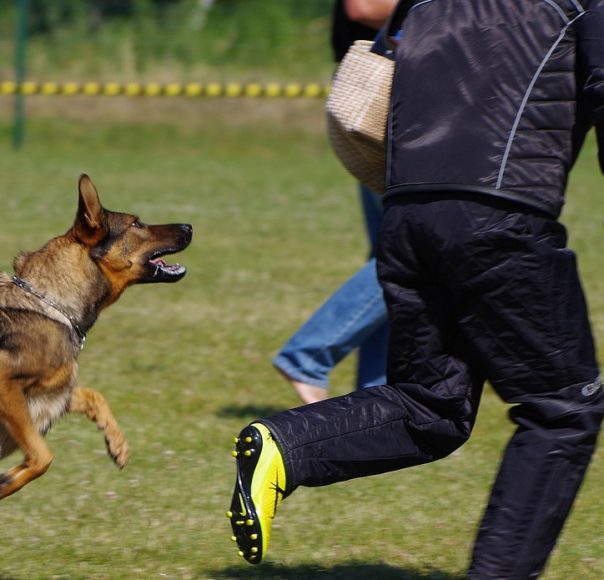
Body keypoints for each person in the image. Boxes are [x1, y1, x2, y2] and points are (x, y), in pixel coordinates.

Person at [228, 1, 604, 578]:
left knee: (433, 403)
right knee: (563, 408)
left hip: (406, 214)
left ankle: (287, 443)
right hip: (499, 216)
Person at [272, 0, 399, 405]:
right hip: (393, 104)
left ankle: (375, 395)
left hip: (399, 102)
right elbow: (362, 7)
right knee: (408, 257)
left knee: (391, 254)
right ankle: (309, 356)